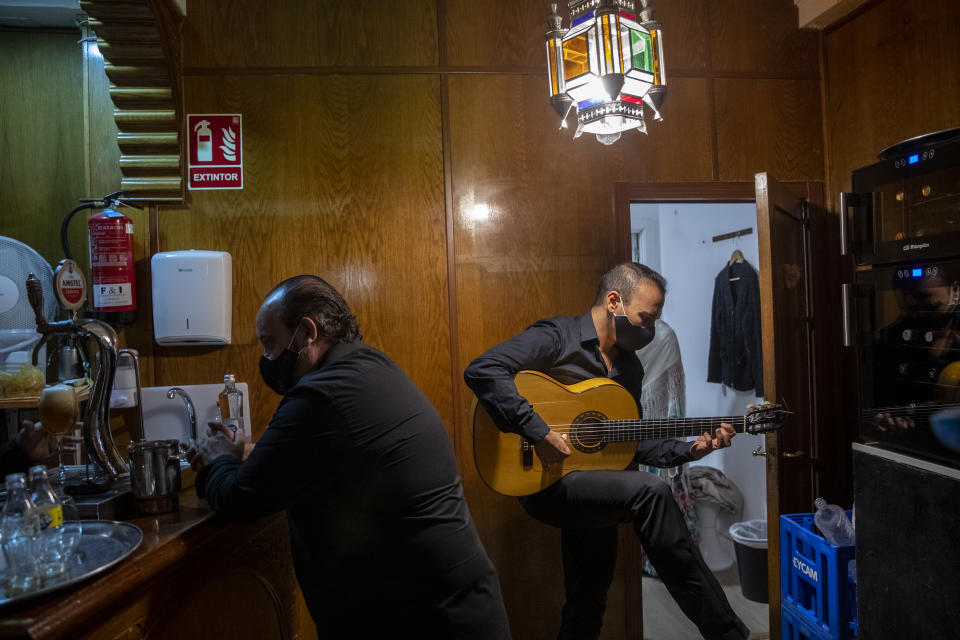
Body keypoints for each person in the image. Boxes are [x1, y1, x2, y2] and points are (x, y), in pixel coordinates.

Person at [188, 275, 511, 639]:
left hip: (430, 621)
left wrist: (217, 458)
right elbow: (327, 455)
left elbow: (238, 500)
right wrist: (247, 452)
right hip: (451, 608)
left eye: (269, 343)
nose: (266, 358)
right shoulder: (366, 367)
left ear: (306, 331)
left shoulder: (322, 395)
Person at [465, 262, 749, 640]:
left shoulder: (629, 368)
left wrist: (690, 450)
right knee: (651, 492)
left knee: (589, 598)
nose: (649, 330)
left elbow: (630, 439)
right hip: (545, 484)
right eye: (645, 318)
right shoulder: (558, 336)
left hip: (596, 483)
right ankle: (727, 633)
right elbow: (484, 370)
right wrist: (537, 431)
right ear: (614, 301)